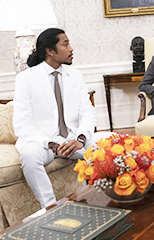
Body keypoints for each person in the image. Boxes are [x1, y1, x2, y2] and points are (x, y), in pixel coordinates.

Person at [13, 28, 113, 208]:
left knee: (114, 141)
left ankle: (110, 197)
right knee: (28, 156)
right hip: (43, 142)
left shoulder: (75, 75)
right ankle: (50, 207)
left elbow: (88, 112)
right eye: (65, 44)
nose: (71, 48)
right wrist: (52, 145)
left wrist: (80, 139)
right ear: (50, 51)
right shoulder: (26, 78)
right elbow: (21, 124)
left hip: (72, 139)